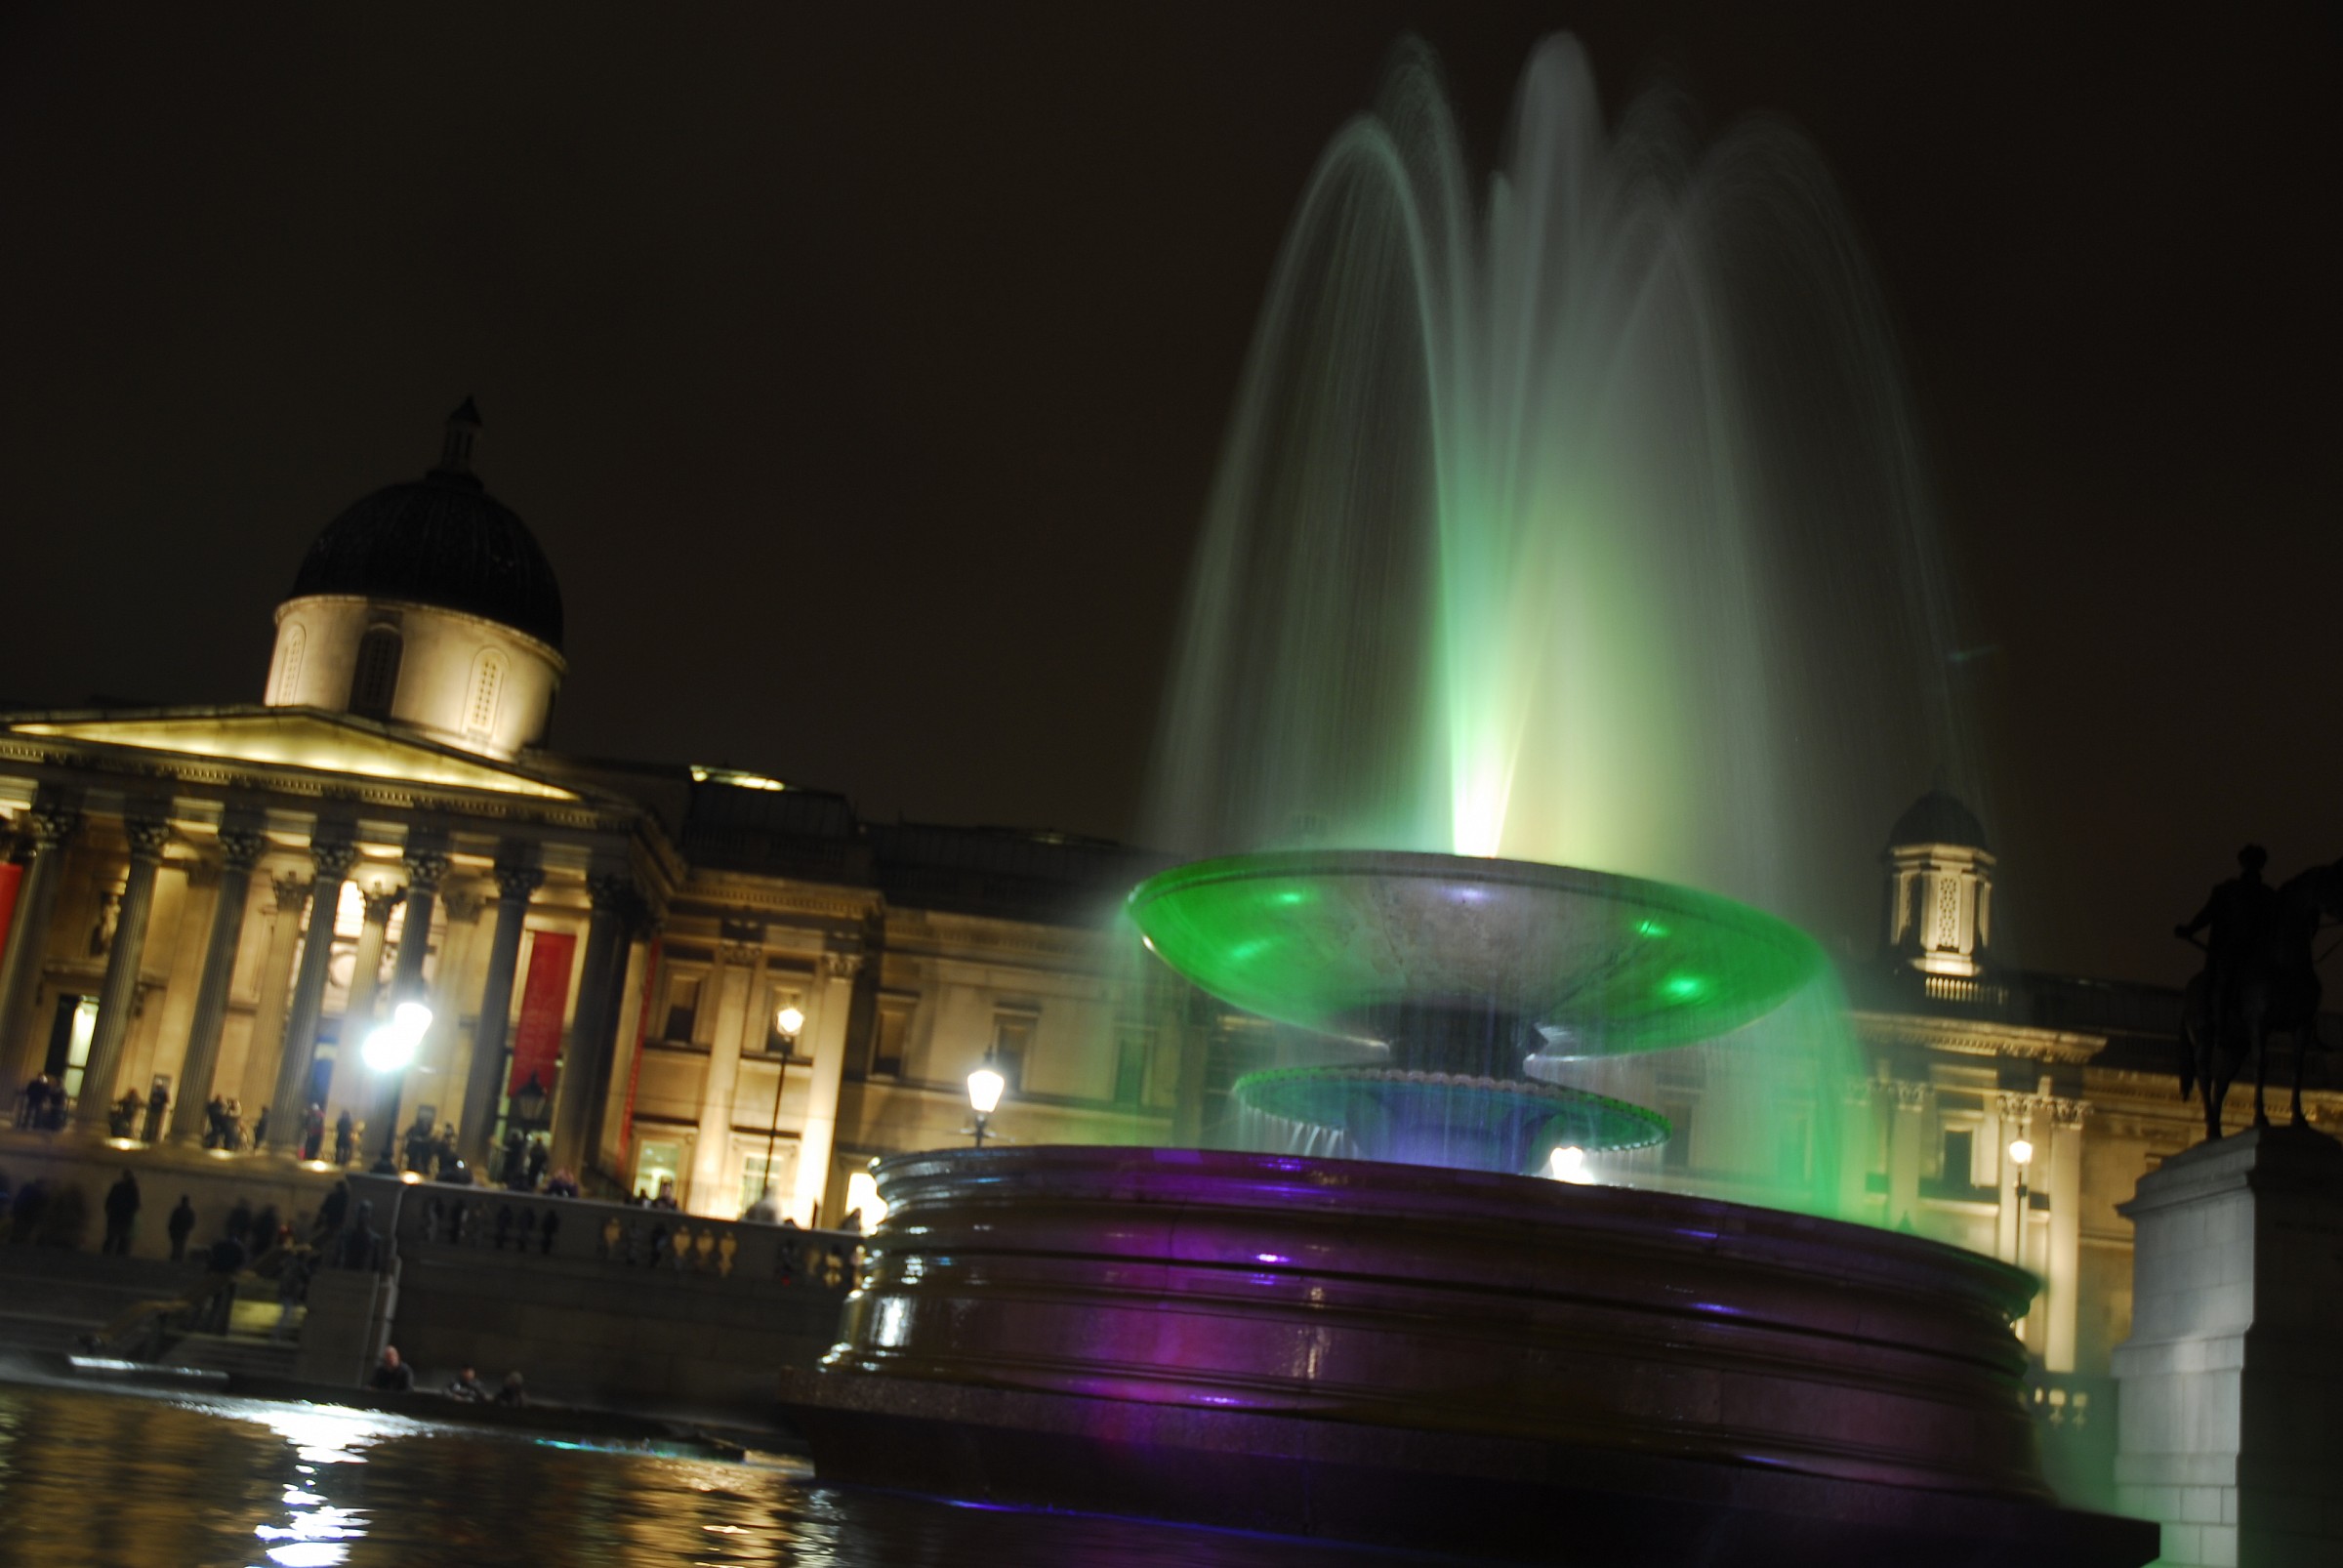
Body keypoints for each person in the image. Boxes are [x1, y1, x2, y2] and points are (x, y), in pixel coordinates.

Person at [101, 1170, 140, 1255]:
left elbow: (109, 1200)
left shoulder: (117, 1187)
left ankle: (106, 1255)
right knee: (123, 1239)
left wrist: (108, 1210)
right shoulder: (132, 1189)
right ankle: (120, 1256)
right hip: (125, 1217)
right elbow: (136, 1204)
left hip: (115, 1215)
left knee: (111, 1237)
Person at [166, 1194, 196, 1261]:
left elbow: (172, 1221)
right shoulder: (189, 1212)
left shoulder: (178, 1210)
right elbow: (192, 1223)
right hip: (182, 1231)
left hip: (177, 1231)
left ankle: (175, 1258)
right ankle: (178, 1258)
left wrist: (171, 1230)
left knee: (176, 1245)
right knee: (180, 1245)